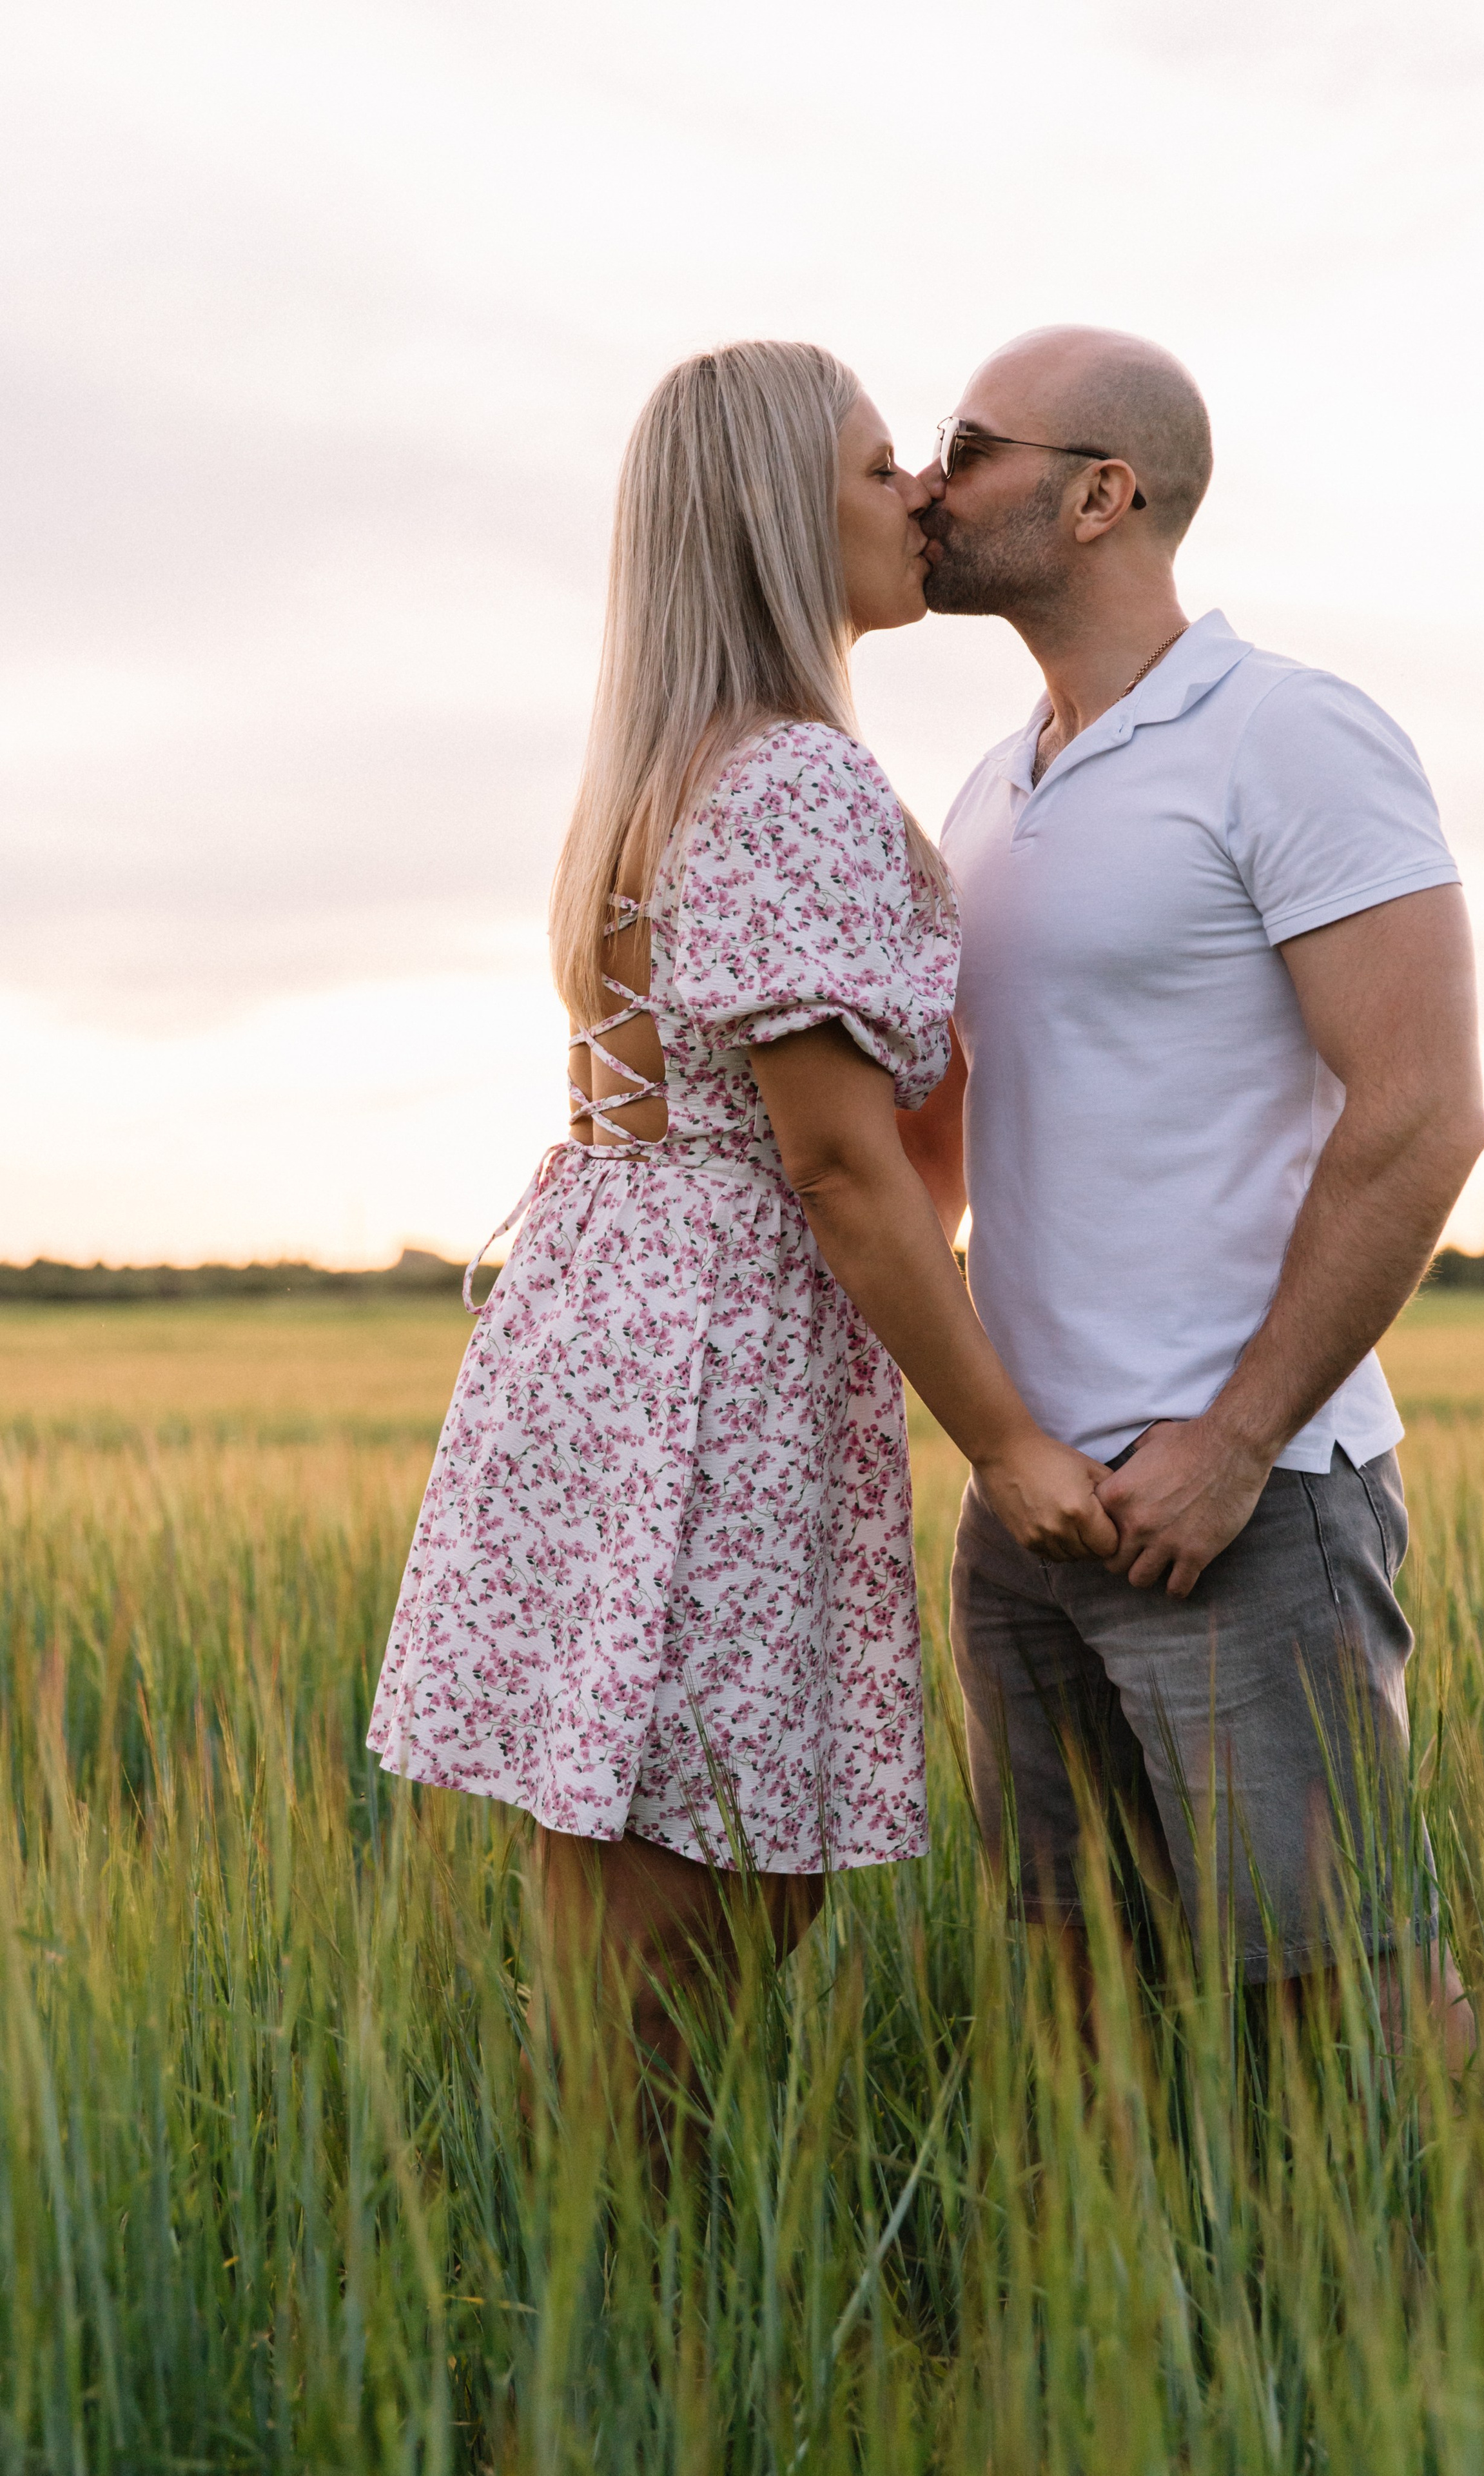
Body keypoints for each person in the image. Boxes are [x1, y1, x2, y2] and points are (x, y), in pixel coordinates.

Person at [367, 340, 1116, 2071]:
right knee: (710, 1895)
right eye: (877, 469)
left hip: (613, 1327)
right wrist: (1004, 1439)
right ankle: (632, 2300)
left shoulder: (667, 762)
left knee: (641, 1878)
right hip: (710, 1365)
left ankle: (609, 2293)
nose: (921, 491)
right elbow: (842, 1166)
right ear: (781, 519)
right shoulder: (788, 777)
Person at [902, 326, 1484, 2064]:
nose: (925, 483)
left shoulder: (1289, 735)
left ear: (1104, 494)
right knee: (1083, 2006)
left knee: (1346, 1999)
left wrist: (1233, 1444)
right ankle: (1154, 2339)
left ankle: (1456, 2332)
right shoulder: (988, 789)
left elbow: (1424, 1114)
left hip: (1248, 1507)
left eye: (967, 444)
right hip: (1035, 1511)